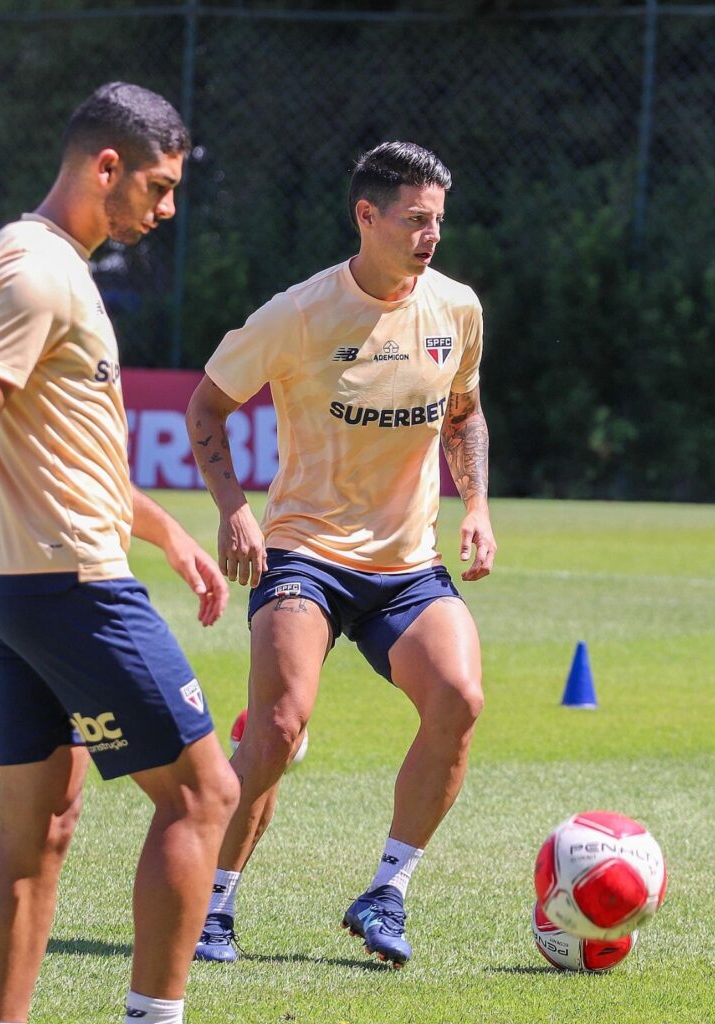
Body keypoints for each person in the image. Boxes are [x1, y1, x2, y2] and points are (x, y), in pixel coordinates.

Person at [186, 140, 497, 968]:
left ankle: (387, 891)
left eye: (438, 219)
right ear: (367, 216)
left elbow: (463, 412)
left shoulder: (456, 308)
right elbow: (207, 407)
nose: (431, 235)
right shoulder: (298, 314)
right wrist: (233, 511)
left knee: (460, 698)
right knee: (281, 727)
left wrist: (477, 508)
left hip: (405, 566)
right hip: (304, 553)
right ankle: (213, 905)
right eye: (414, 220)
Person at [0, 83, 239, 1024]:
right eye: (159, 186)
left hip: (21, 590)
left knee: (40, 829)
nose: (166, 209)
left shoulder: (51, 267)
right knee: (204, 793)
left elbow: (60, 446)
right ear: (106, 168)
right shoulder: (33, 271)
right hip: (70, 588)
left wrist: (167, 529)